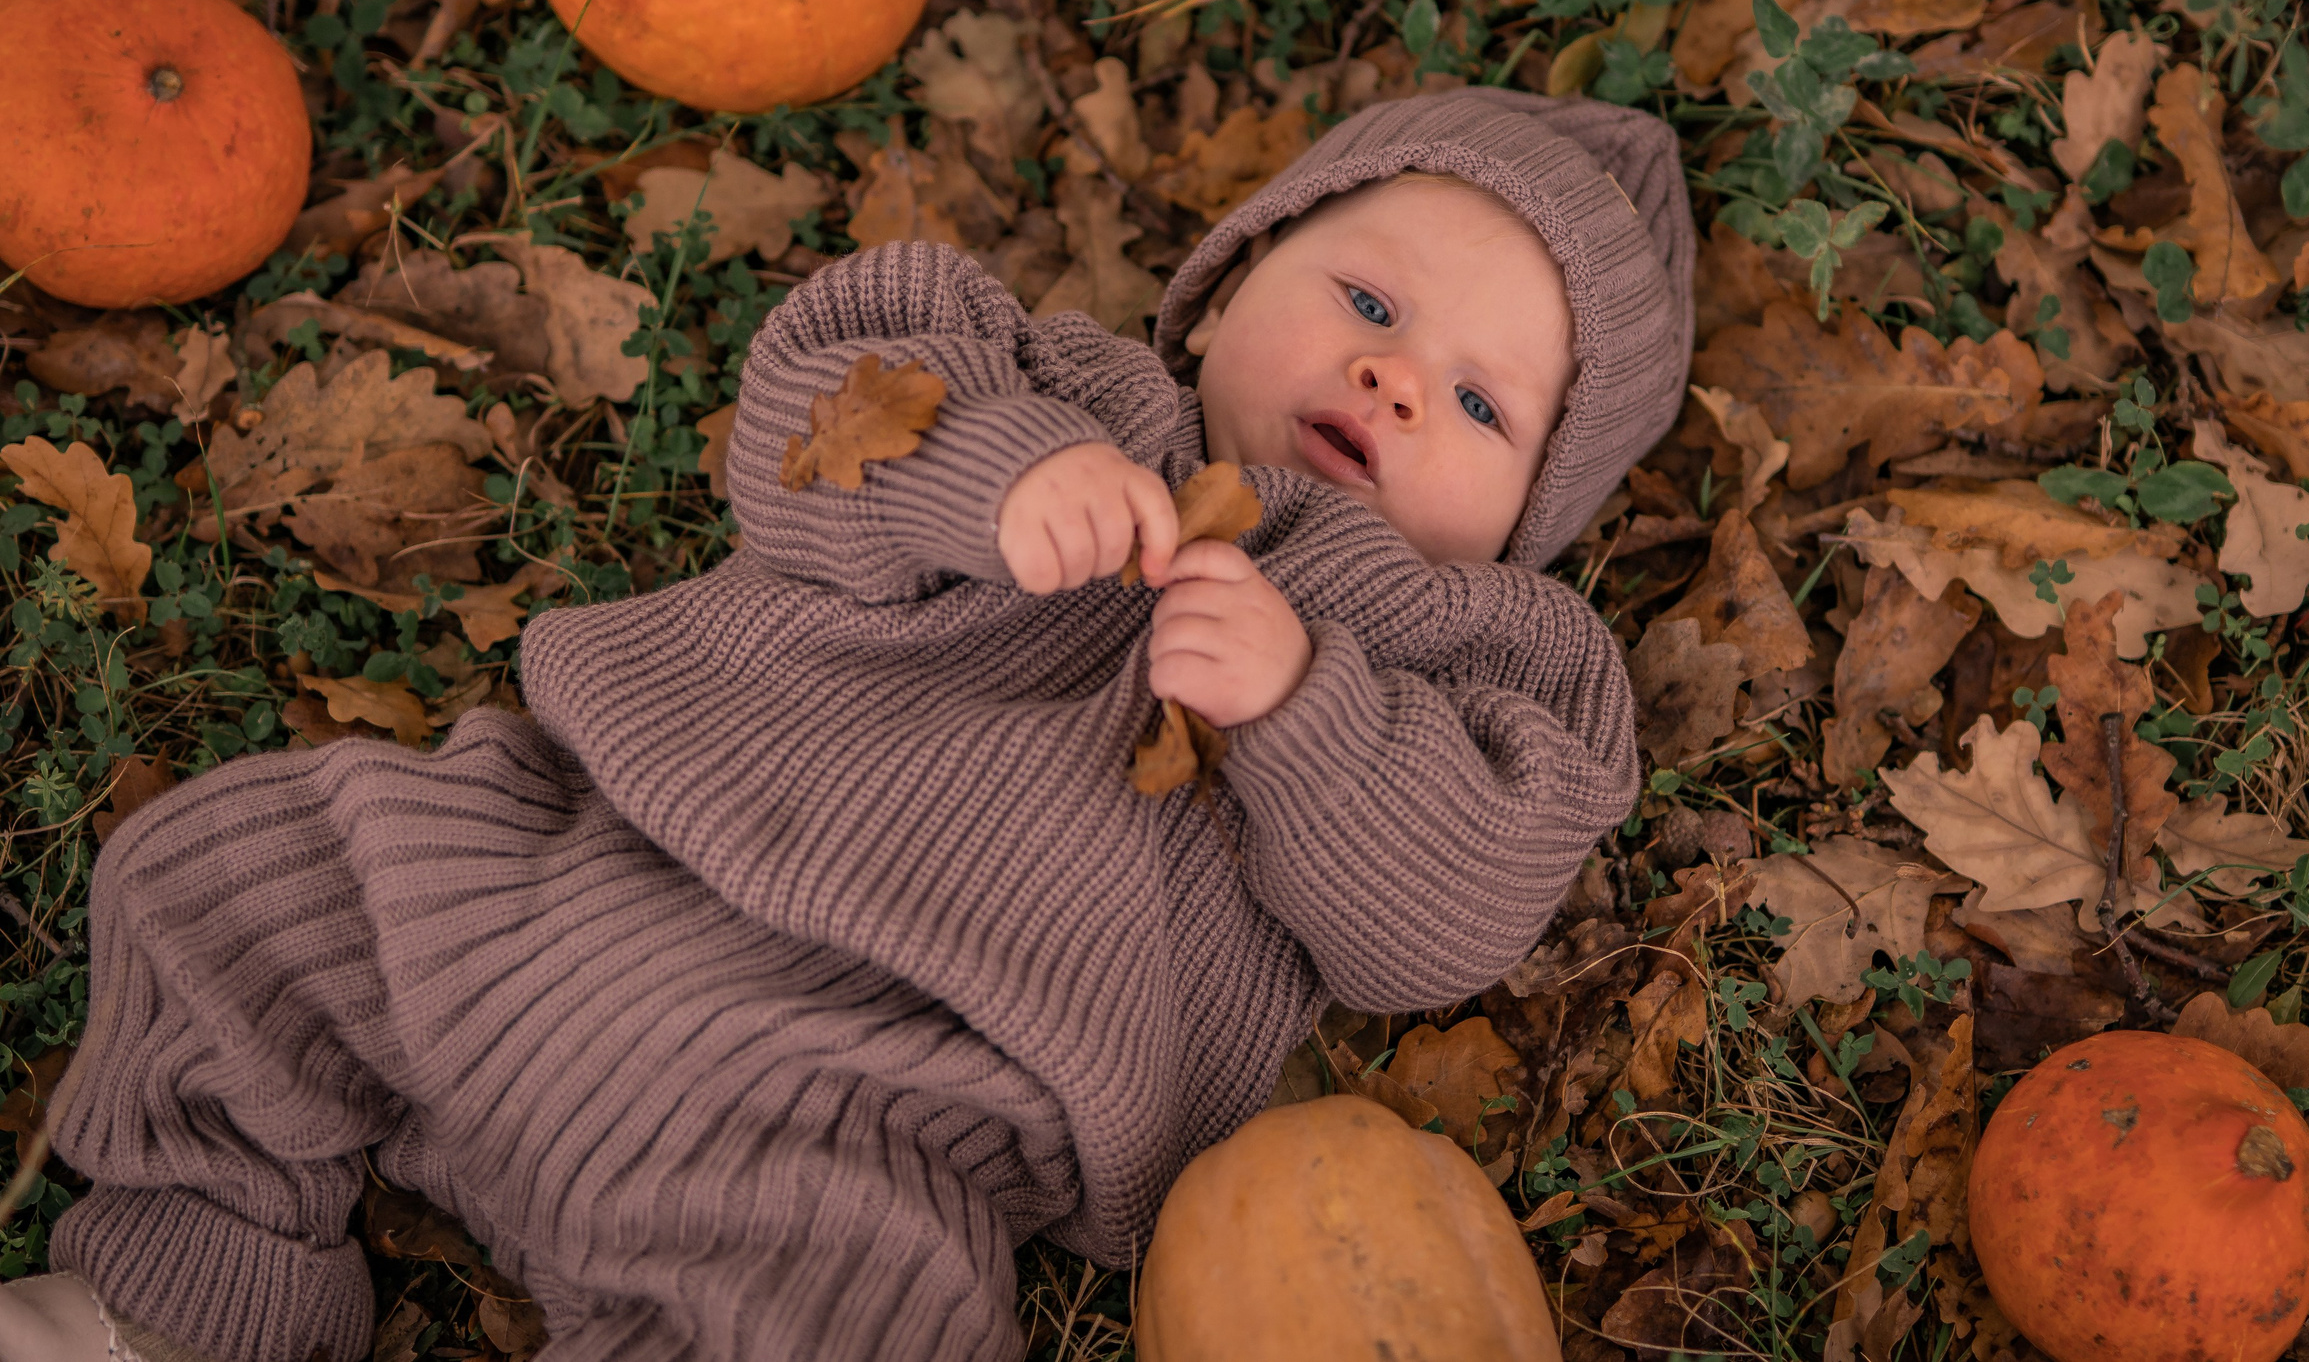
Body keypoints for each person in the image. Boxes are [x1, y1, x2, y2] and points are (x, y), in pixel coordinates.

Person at [0, 86, 1695, 1362]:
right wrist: (993, 475)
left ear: (1531, 515)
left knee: (850, 1313)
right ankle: (178, 1311)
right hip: (570, 871)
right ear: (1235, 272)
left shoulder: (1475, 658)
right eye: (1372, 305)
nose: (1400, 382)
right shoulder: (1060, 389)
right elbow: (816, 414)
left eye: (1480, 404)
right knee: (242, 886)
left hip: (877, 1104)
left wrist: (1310, 711)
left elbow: (1444, 921)